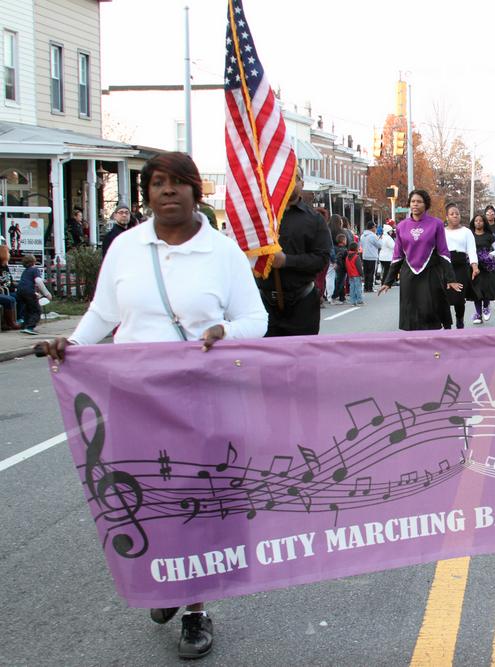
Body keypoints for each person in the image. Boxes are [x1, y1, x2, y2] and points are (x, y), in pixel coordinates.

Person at [38, 151, 268, 660]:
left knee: (198, 502)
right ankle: (167, 581)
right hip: (135, 399)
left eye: (177, 183)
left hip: (202, 399)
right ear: (147, 195)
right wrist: (70, 344)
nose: (167, 191)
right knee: (146, 496)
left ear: (195, 191)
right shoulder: (125, 247)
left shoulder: (222, 252)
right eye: (157, 183)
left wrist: (223, 331)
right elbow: (102, 311)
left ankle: (194, 610)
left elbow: (257, 319)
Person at [256, 165, 332, 336]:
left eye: (294, 178)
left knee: (302, 360)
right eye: (283, 176)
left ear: (301, 183)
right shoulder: (262, 217)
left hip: (302, 303)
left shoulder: (314, 220)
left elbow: (321, 259)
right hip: (264, 304)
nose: (289, 181)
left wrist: (286, 261)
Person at [378, 189, 462, 330]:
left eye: (419, 202)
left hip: (430, 273)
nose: (415, 204)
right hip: (409, 275)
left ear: (425, 204)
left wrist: (451, 278)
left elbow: (443, 252)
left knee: (430, 310)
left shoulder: (436, 224)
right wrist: (388, 281)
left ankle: (433, 343)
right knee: (411, 312)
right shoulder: (401, 226)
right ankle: (414, 346)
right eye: (413, 202)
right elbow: (397, 255)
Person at [443, 203, 478, 328]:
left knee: (458, 297)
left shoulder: (466, 232)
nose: (455, 216)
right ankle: (447, 324)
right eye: (452, 214)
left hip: (460, 266)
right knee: (444, 297)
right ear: (447, 217)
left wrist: (474, 266)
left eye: (457, 214)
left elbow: (472, 250)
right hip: (445, 266)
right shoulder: (441, 232)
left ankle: (460, 320)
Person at [468, 212, 495, 324]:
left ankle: (486, 307)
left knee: (485, 289)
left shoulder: (490, 236)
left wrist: (490, 255)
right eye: (476, 220)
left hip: (487, 266)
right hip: (474, 266)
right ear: (473, 222)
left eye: (481, 220)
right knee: (476, 291)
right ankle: (478, 314)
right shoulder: (470, 235)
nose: (478, 222)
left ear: (484, 222)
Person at [15, 254, 52, 335]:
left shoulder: (25, 271)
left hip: (19, 291)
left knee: (28, 309)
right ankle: (30, 327)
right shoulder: (35, 270)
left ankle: (25, 326)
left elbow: (25, 283)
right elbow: (38, 281)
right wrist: (47, 293)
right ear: (34, 262)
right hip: (28, 291)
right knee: (36, 310)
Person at [0, 244, 19, 331]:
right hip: (2, 291)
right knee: (10, 299)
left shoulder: (5, 266)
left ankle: (20, 318)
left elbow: (10, 280)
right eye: (8, 252)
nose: (9, 254)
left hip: (7, 290)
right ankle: (10, 322)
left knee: (21, 295)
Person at [360, 221, 381, 293]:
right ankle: (370, 288)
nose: (375, 228)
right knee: (371, 273)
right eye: (375, 226)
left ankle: (366, 287)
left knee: (366, 272)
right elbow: (379, 245)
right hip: (372, 256)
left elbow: (361, 245)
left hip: (365, 255)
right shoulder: (373, 236)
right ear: (372, 227)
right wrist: (379, 238)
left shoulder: (363, 235)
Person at [345, 242, 365, 306]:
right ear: (356, 249)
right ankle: (359, 301)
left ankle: (353, 302)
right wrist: (362, 275)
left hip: (350, 275)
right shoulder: (356, 257)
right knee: (358, 288)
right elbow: (359, 267)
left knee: (352, 288)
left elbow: (347, 266)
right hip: (357, 274)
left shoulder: (347, 257)